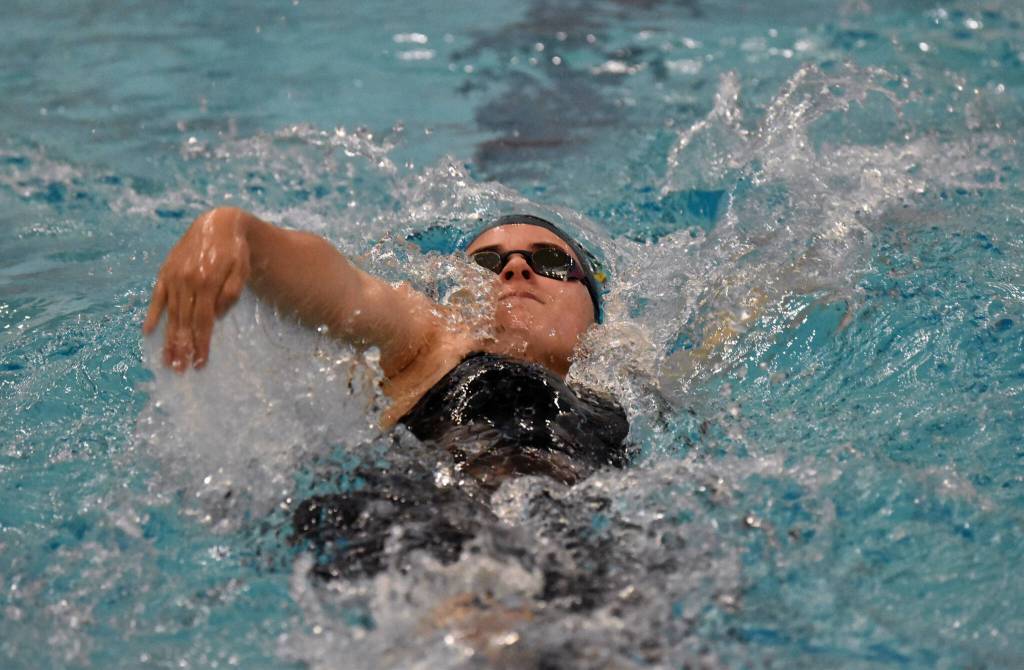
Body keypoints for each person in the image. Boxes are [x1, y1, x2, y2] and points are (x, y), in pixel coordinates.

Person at [143, 207, 631, 488]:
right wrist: (238, 232)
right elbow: (345, 292)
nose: (515, 269)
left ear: (595, 311)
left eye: (550, 261)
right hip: (424, 540)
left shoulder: (628, 385)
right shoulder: (432, 342)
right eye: (485, 265)